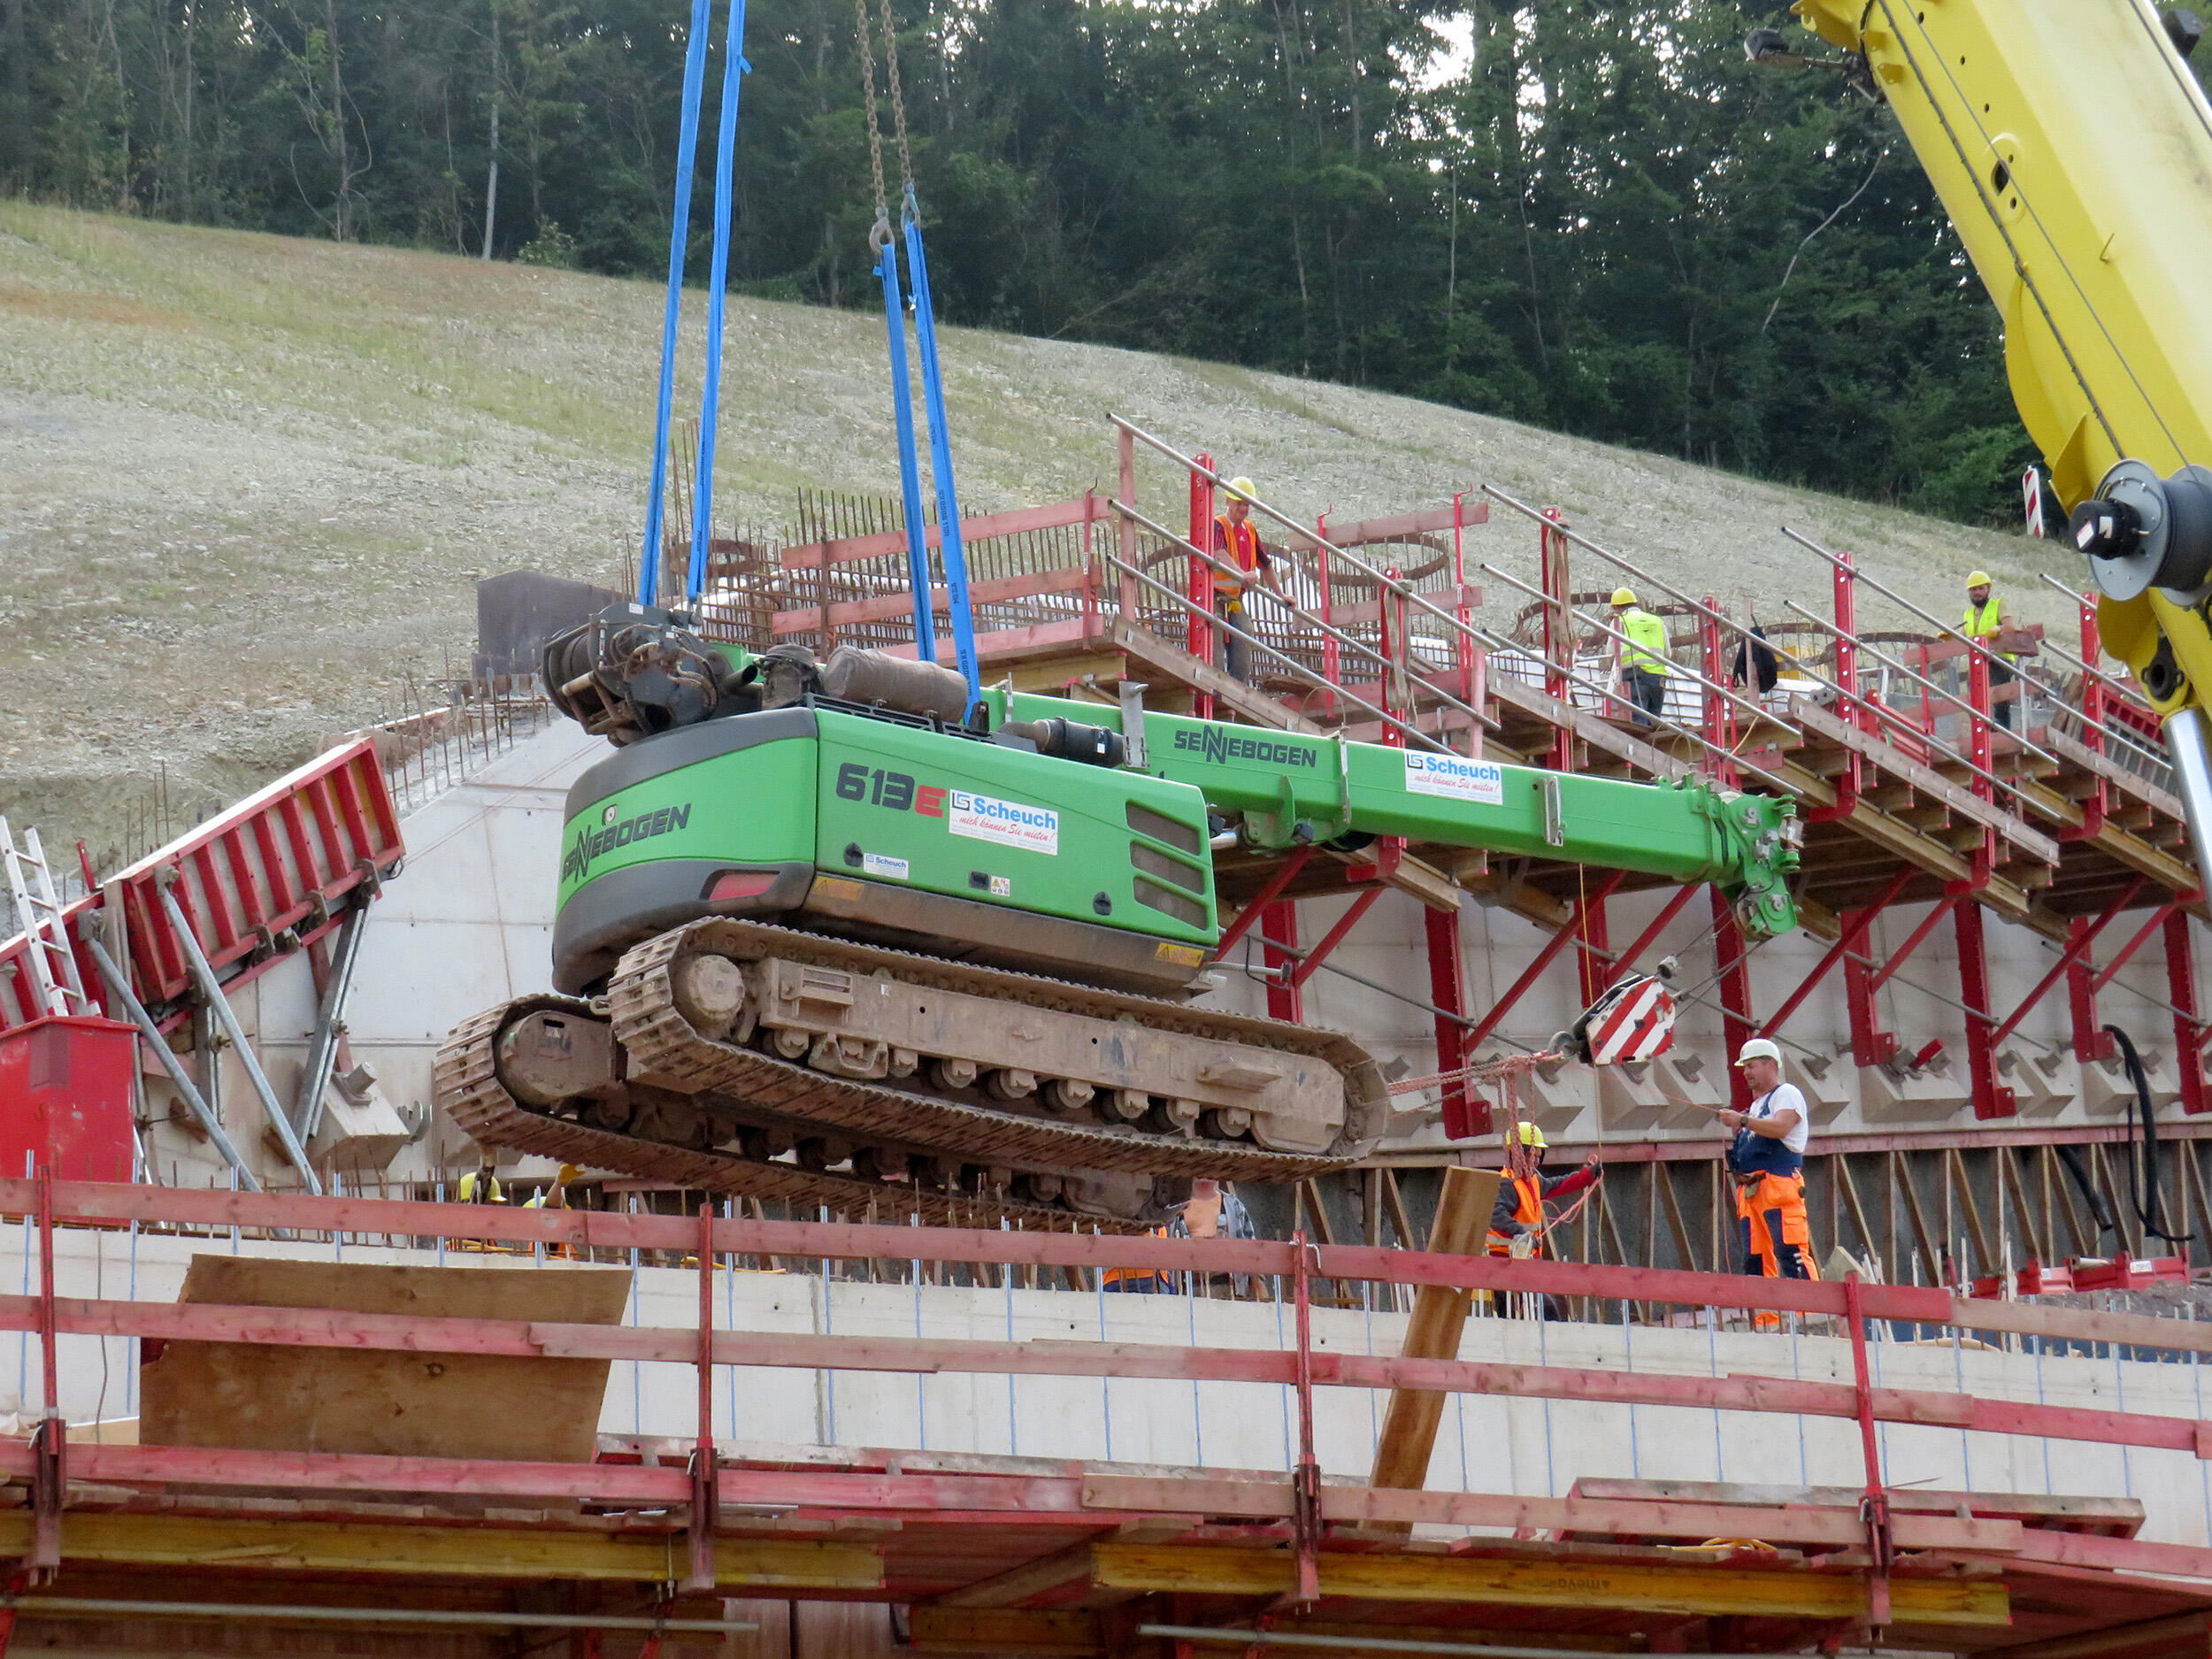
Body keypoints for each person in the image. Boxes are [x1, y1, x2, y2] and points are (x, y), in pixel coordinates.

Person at [1719, 1039, 1819, 1288]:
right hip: (1752, 1193)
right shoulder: (1756, 1106)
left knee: (1791, 1253)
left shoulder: (1787, 1093)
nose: (1746, 1073)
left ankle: (1810, 1312)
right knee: (1756, 1261)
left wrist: (1742, 1120)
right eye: (1745, 1067)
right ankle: (1766, 1323)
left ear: (1770, 1065)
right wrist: (1741, 1124)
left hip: (1779, 1186)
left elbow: (1782, 1127)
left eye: (1751, 1066)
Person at [1209, 477, 1282, 685]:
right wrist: (1241, 574)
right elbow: (1218, 552)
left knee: (1244, 634)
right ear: (1228, 502)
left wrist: (1281, 595)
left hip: (1235, 598)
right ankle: (1214, 690)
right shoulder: (1218, 525)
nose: (1243, 508)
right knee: (1214, 643)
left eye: (1247, 504)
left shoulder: (1249, 530)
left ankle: (1237, 691)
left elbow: (1265, 564)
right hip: (1214, 595)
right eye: (1239, 503)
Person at [1959, 571, 2018, 731]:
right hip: (1977, 661)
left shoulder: (1999, 605)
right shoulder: (1968, 613)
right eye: (1973, 589)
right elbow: (1963, 635)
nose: (1976, 593)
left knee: (1998, 701)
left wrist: (1998, 628)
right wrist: (1948, 638)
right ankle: (1983, 733)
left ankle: (2002, 735)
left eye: (1980, 588)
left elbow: (2011, 627)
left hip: (1999, 660)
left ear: (1988, 590)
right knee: (1975, 701)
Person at [1609, 588, 1671, 727]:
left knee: (1639, 724)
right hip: (1658, 678)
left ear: (1617, 607)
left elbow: (1611, 651)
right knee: (1654, 724)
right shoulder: (1657, 620)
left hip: (1635, 676)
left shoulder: (1619, 621)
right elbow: (1668, 654)